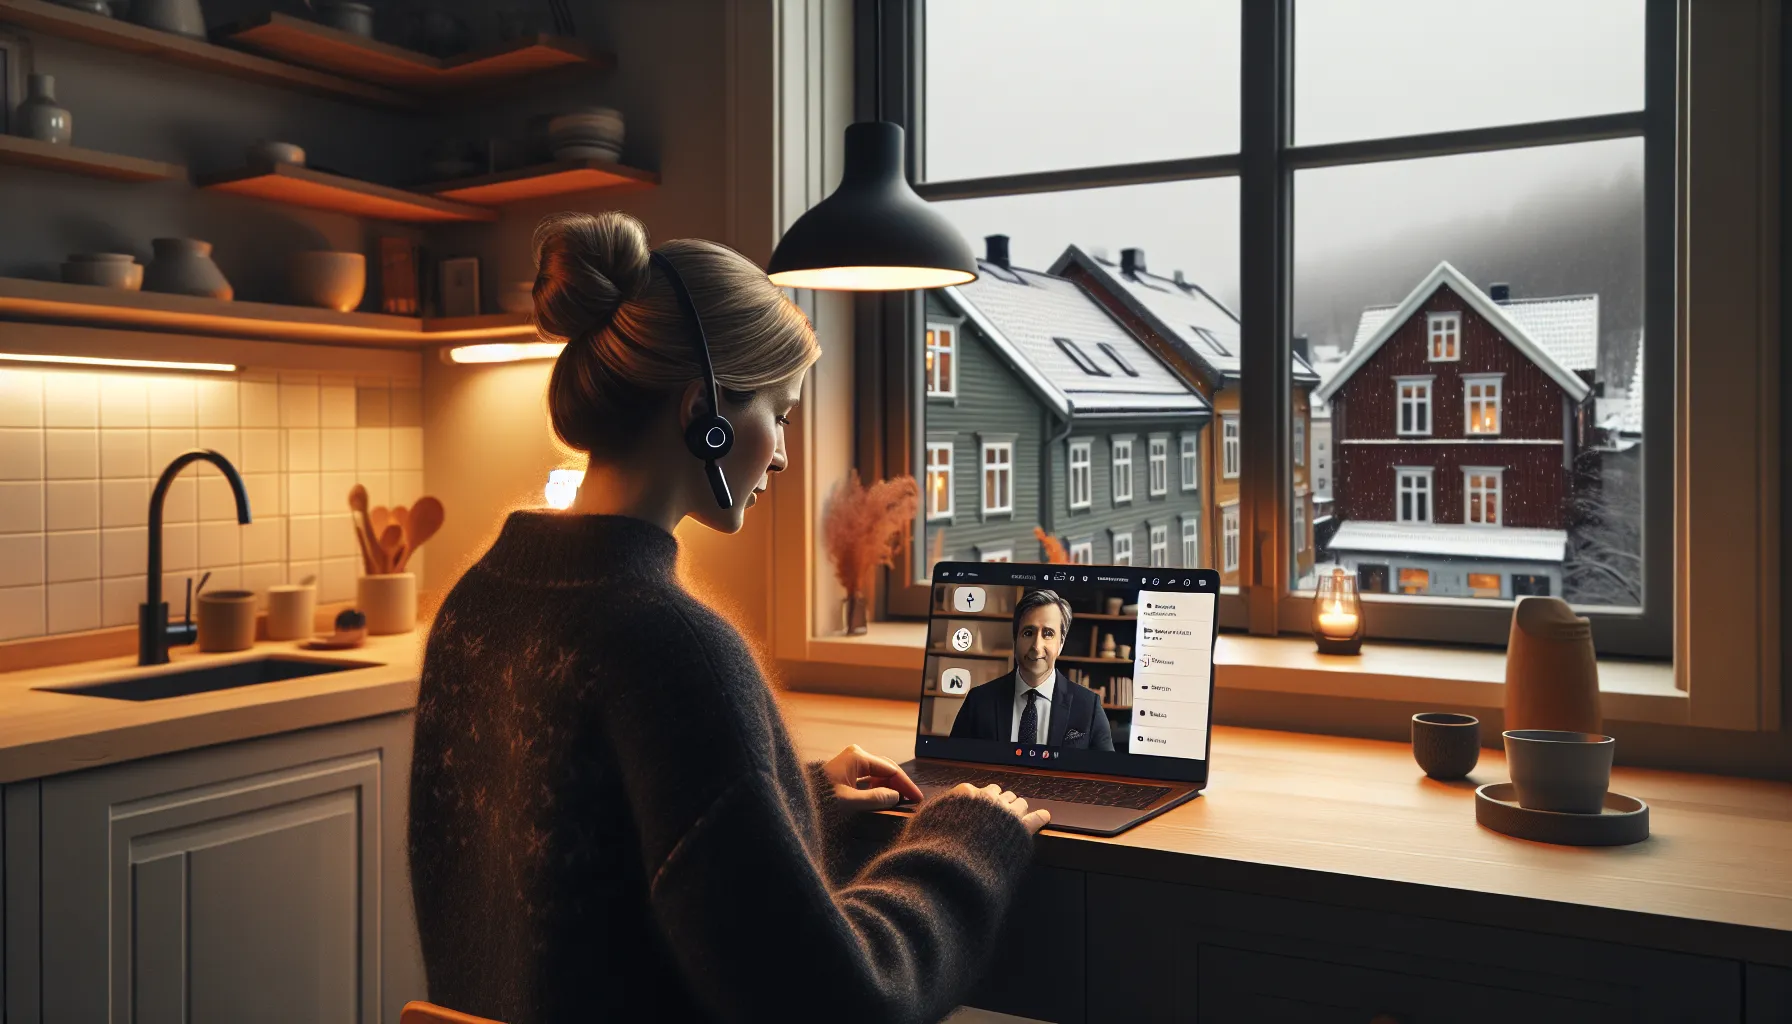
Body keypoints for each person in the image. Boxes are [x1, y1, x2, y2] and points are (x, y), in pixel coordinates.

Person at [408, 211, 1049, 1024]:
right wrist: (964, 838)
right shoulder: (673, 646)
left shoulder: (476, 602)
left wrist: (790, 797)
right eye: (778, 414)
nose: (780, 453)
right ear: (703, 412)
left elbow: (587, 849)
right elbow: (843, 1003)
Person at [949, 589, 1115, 751]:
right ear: (1015, 640)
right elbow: (954, 763)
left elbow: (1104, 769)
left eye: (1048, 633)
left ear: (1061, 643)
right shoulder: (978, 702)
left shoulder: (1089, 707)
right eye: (1028, 633)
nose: (1036, 646)